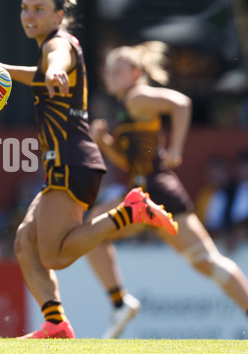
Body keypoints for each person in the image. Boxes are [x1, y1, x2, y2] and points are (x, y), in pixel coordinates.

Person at [0, 0, 177, 339]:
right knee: (24, 241)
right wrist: (3, 68)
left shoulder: (58, 44)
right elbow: (43, 71)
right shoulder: (52, 46)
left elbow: (55, 61)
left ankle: (129, 212)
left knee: (54, 256)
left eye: (38, 9)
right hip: (69, 161)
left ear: (58, 16)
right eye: (24, 8)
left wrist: (51, 70)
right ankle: (55, 323)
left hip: (72, 160)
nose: (28, 15)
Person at [85, 41, 248, 338]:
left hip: (156, 192)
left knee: (206, 261)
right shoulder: (125, 107)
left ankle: (120, 302)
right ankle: (120, 303)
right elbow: (129, 162)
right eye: (108, 69)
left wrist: (176, 148)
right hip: (141, 193)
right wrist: (105, 142)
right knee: (92, 234)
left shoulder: (137, 97)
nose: (109, 74)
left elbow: (181, 103)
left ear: (135, 73)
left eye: (117, 69)